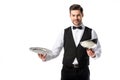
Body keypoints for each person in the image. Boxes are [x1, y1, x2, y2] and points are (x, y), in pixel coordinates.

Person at [38, 4, 101, 80]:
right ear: (70, 15)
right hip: (66, 72)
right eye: (73, 15)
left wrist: (93, 55)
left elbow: (98, 51)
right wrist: (45, 58)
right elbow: (55, 51)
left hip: (83, 72)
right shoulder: (64, 32)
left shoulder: (91, 32)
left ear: (82, 15)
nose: (76, 18)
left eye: (78, 15)